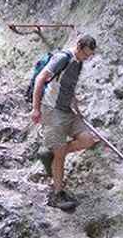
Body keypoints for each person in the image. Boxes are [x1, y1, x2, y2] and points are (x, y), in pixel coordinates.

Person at [31, 34, 98, 211]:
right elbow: (40, 79)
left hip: (67, 111)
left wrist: (78, 109)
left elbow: (70, 87)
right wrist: (36, 109)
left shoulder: (79, 63)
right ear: (78, 46)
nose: (86, 58)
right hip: (52, 110)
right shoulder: (63, 58)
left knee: (87, 140)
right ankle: (57, 195)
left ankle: (50, 153)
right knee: (60, 155)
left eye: (89, 56)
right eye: (85, 54)